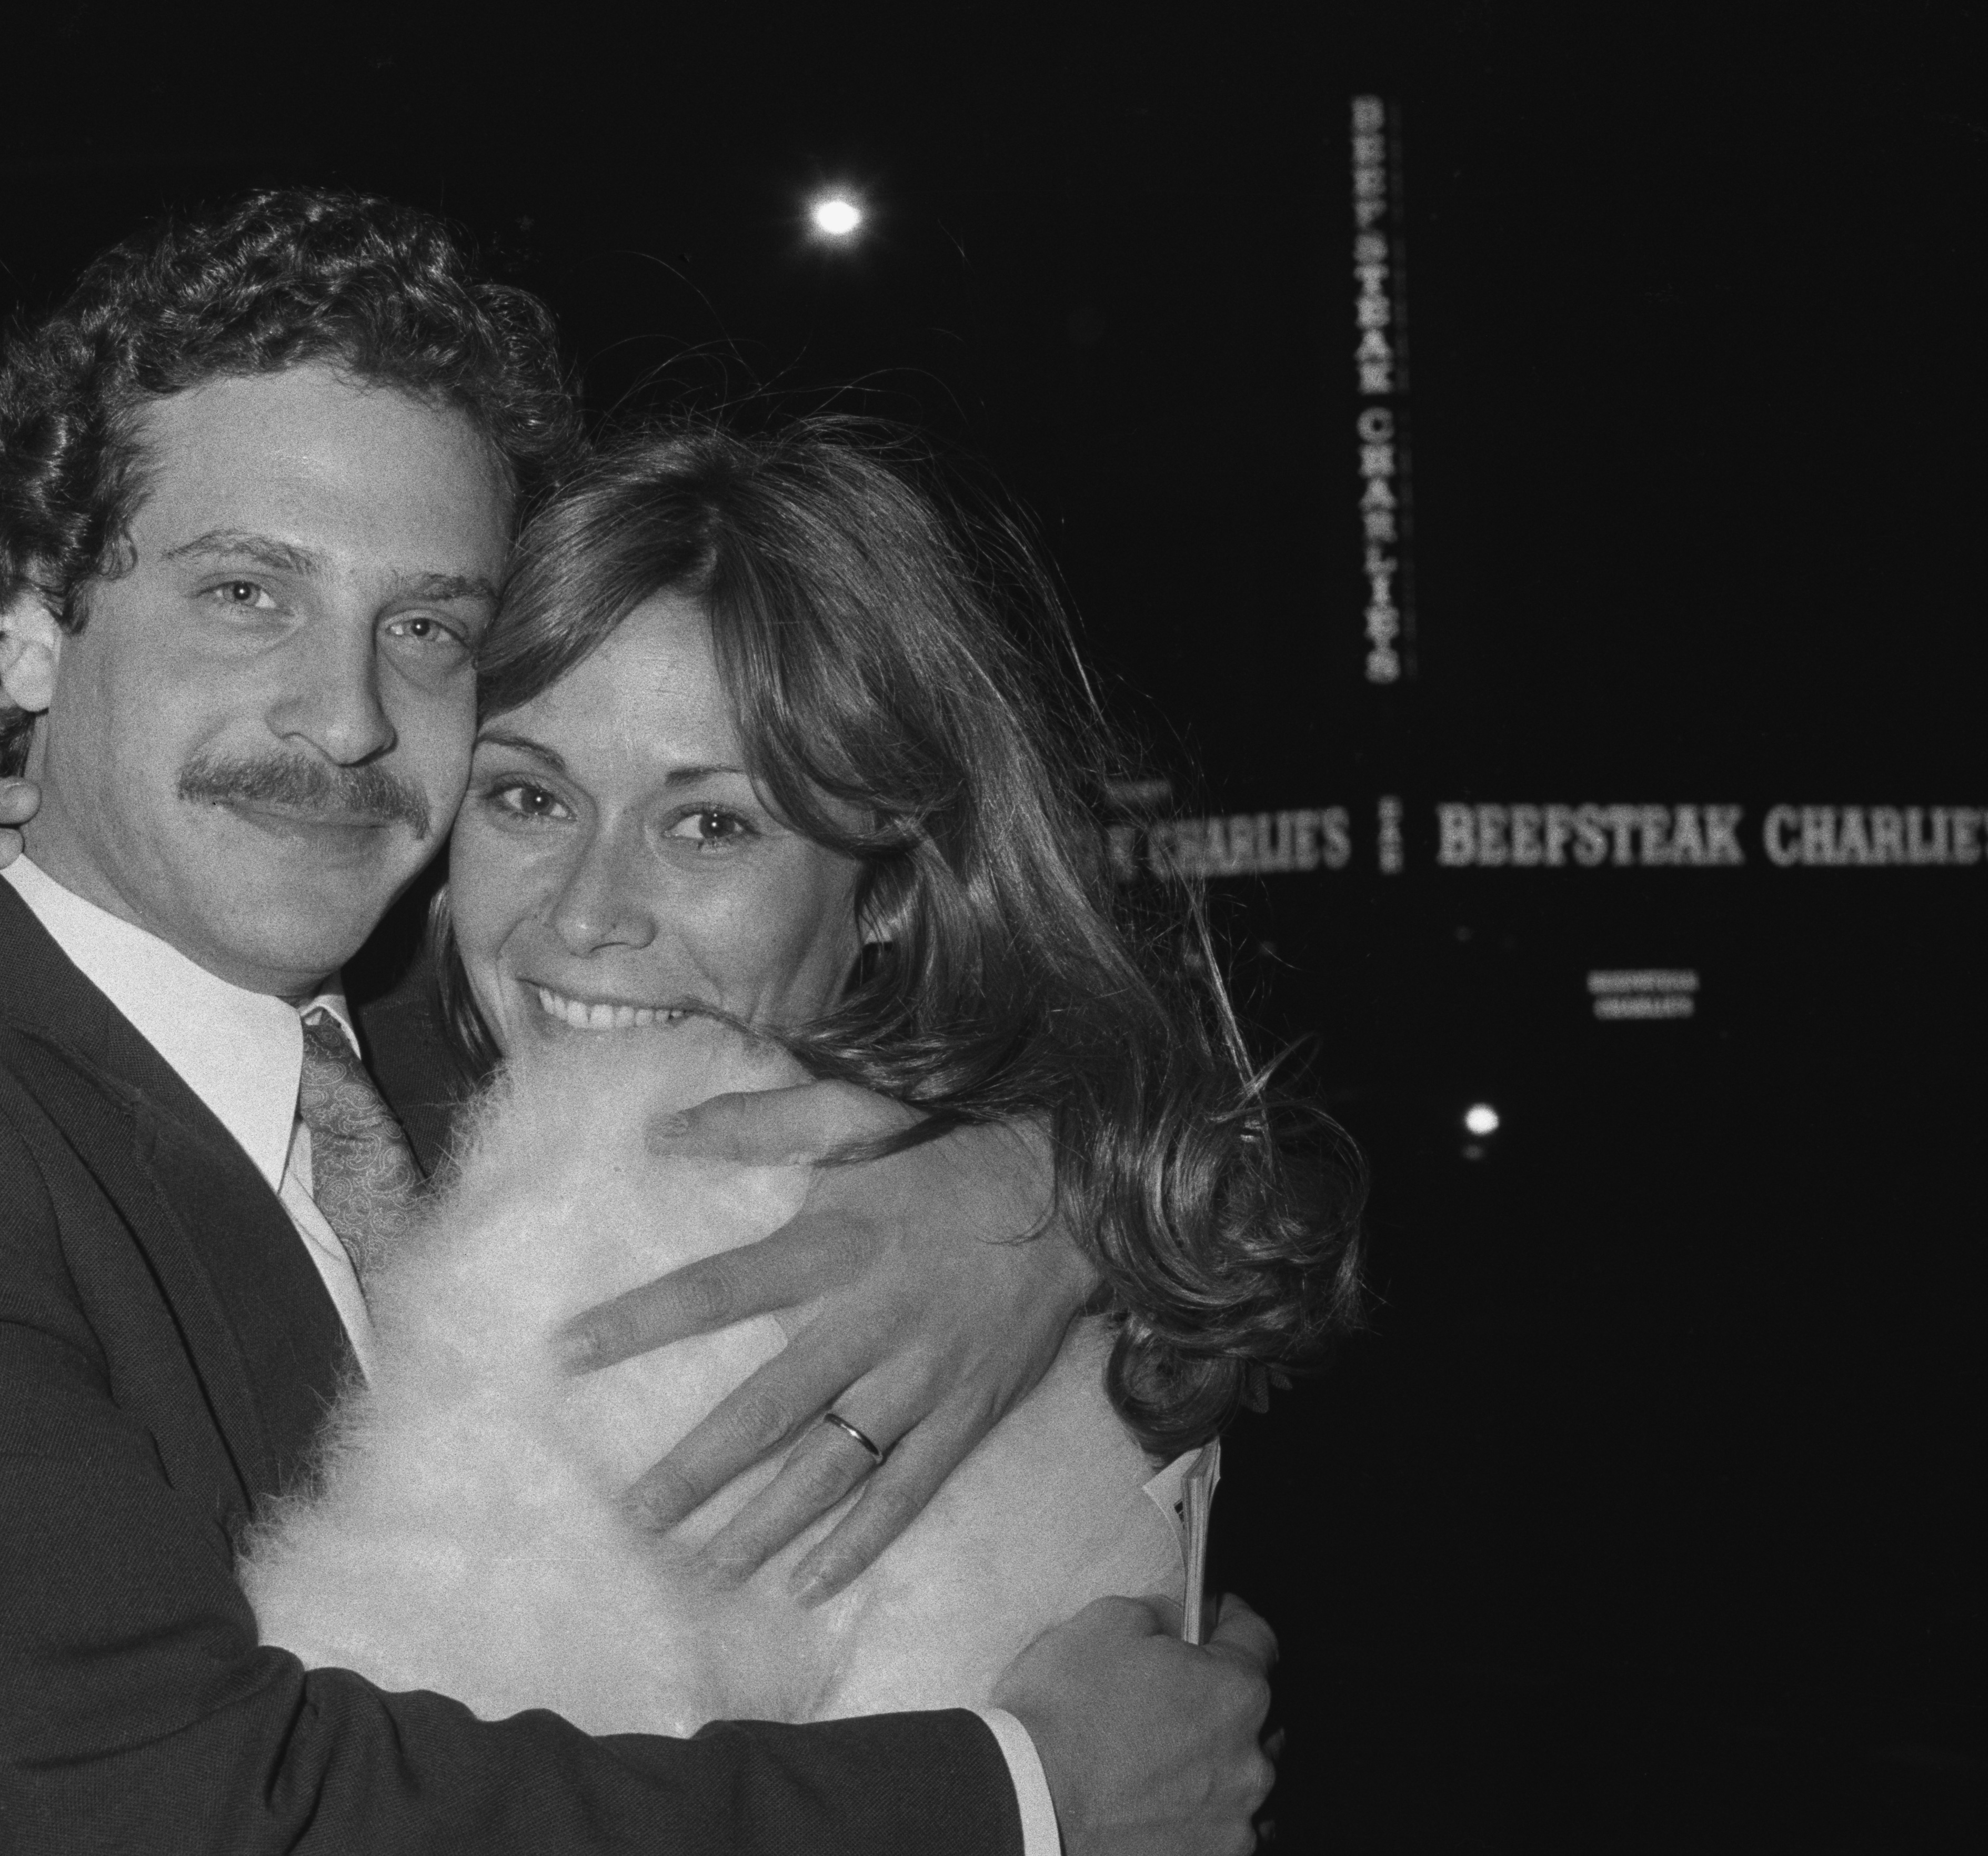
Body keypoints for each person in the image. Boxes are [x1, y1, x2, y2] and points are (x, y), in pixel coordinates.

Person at [0, 188, 1276, 1853]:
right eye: (248, 591)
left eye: (430, 627)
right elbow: (143, 1813)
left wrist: (1039, 1196)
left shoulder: (469, 1069)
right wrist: (1026, 1799)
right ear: (38, 623)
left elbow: (1208, 1135)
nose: (345, 715)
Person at [229, 420, 1362, 1759]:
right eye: (528, 799)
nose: (590, 915)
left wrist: (1065, 1193)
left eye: (713, 824)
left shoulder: (982, 1227)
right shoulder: (357, 1065)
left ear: (889, 881)